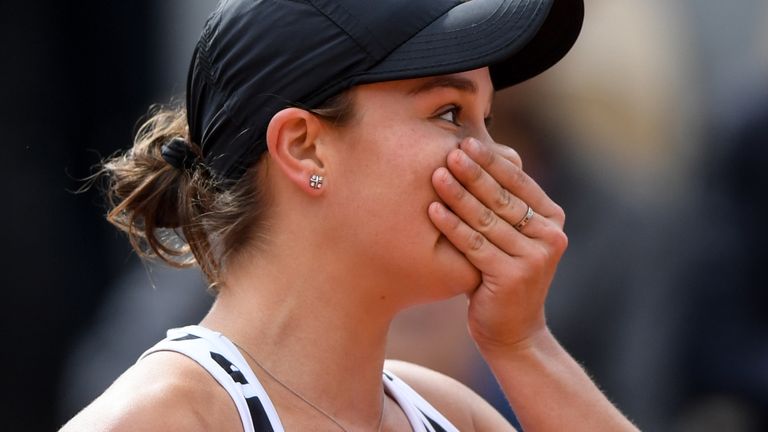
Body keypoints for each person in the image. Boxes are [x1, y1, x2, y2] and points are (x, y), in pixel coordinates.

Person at [61, 0, 638, 430]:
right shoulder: (162, 419)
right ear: (304, 147)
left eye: (488, 118)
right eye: (449, 112)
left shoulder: (449, 414)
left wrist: (523, 344)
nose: (501, 158)